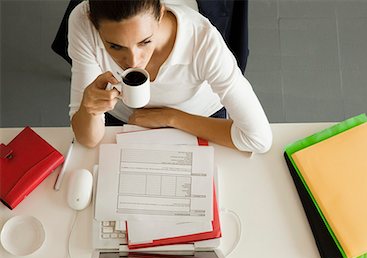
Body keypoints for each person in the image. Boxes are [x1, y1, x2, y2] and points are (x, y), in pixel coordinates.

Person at [68, 0, 272, 153]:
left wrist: (171, 118)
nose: (133, 62)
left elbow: (258, 138)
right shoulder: (83, 21)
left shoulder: (202, 41)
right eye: (115, 46)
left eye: (145, 41)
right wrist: (89, 108)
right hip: (125, 116)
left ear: (160, 15)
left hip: (199, 119)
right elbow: (88, 140)